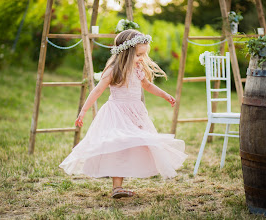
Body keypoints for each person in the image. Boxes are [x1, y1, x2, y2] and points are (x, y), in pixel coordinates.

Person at [59, 29, 187, 199]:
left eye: (143, 55)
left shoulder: (138, 68)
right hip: (116, 113)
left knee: (135, 145)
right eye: (138, 55)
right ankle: (117, 187)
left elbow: (147, 85)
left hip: (135, 113)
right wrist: (83, 111)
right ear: (126, 53)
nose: (141, 58)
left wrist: (165, 95)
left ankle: (124, 179)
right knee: (118, 146)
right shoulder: (113, 70)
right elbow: (97, 91)